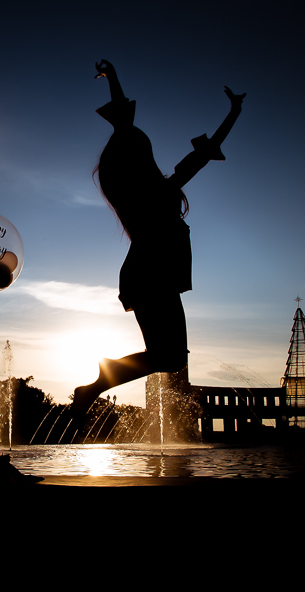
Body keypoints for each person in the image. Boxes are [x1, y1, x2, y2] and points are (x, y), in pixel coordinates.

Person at [70, 60, 245, 421]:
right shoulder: (149, 195)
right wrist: (115, 80)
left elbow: (200, 154)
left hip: (151, 275)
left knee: (171, 358)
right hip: (151, 274)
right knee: (169, 357)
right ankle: (97, 383)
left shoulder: (153, 191)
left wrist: (234, 113)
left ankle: (100, 380)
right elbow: (132, 128)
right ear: (137, 160)